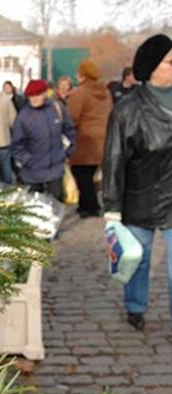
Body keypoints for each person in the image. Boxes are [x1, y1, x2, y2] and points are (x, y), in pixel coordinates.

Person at [103, 34, 172, 331]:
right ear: (153, 66)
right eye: (170, 61)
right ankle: (135, 307)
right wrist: (112, 207)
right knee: (138, 260)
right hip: (139, 198)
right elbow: (114, 159)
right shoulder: (127, 110)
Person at [11, 80, 76, 200]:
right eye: (31, 96)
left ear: (45, 94)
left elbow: (69, 130)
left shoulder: (57, 108)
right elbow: (17, 145)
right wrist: (28, 160)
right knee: (36, 207)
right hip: (33, 171)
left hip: (55, 168)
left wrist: (67, 152)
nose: (34, 99)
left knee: (57, 203)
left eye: (38, 95)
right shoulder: (23, 117)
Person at [66, 59, 112, 218]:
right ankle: (87, 205)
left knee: (81, 173)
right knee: (90, 175)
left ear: (83, 75)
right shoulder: (105, 92)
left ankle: (90, 207)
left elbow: (72, 117)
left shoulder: (80, 93)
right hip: (103, 139)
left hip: (85, 141)